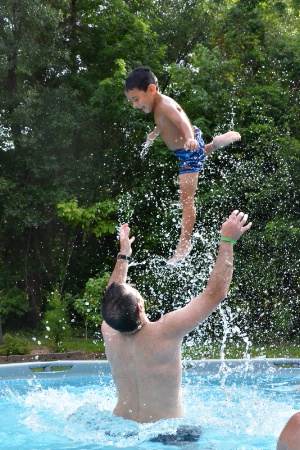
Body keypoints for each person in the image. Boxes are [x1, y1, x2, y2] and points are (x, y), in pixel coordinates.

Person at [101, 210, 252, 430]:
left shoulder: (109, 331)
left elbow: (111, 299)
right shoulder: (165, 332)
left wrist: (123, 255)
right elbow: (215, 293)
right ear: (140, 307)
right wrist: (227, 241)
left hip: (120, 429)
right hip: (168, 433)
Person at [125, 66, 242, 264]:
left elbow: (181, 120)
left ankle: (185, 243)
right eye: (131, 102)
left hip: (188, 150)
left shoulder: (165, 105)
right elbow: (164, 124)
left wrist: (189, 138)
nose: (135, 105)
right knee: (199, 159)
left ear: (151, 89)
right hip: (186, 152)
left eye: (136, 99)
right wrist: (154, 134)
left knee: (186, 198)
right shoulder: (159, 107)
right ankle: (215, 143)